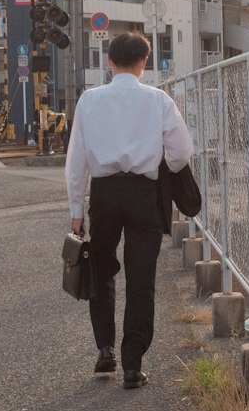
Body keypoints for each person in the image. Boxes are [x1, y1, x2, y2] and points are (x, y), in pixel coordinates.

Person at [65, 31, 195, 389]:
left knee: (101, 269)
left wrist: (77, 208)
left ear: (109, 61)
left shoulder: (89, 101)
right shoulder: (158, 100)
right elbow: (182, 152)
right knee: (141, 281)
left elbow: (76, 160)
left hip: (104, 194)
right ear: (143, 62)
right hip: (144, 194)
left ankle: (105, 347)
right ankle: (132, 365)